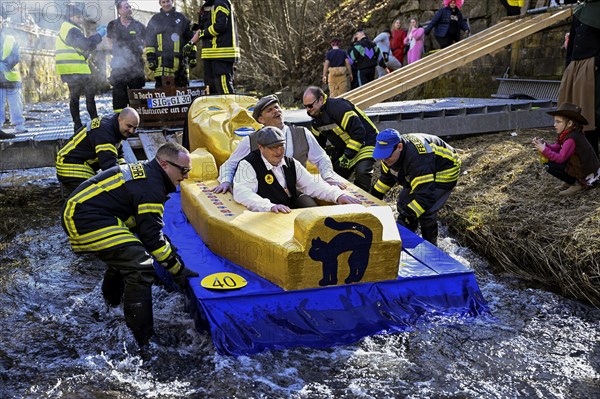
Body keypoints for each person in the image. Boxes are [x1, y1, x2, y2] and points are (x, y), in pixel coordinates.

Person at [61, 142, 198, 348]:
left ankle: (111, 307)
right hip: (85, 219)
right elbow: (152, 239)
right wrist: (177, 269)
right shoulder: (152, 187)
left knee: (126, 255)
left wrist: (165, 248)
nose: (186, 176)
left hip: (87, 213)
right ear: (164, 164)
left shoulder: (149, 175)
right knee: (140, 265)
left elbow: (146, 228)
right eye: (184, 170)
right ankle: (143, 340)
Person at [213, 94, 345, 194]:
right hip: (264, 196)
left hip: (297, 193)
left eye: (277, 107)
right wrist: (226, 181)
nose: (276, 111)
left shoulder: (302, 133)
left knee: (309, 205)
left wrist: (328, 177)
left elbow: (321, 158)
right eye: (270, 110)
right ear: (261, 119)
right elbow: (229, 165)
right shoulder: (250, 140)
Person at [232, 126, 360, 213]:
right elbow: (242, 193)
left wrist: (338, 196)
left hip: (288, 211)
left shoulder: (291, 162)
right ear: (261, 147)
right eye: (273, 147)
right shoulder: (247, 164)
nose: (278, 151)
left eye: (281, 146)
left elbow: (312, 185)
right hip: (264, 216)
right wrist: (269, 207)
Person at [370, 129, 461, 246]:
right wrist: (373, 197)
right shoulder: (389, 154)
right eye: (381, 156)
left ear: (399, 147)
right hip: (420, 170)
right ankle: (409, 240)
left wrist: (408, 215)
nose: (384, 160)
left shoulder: (418, 159)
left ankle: (431, 247)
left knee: (426, 212)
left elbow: (426, 196)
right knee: (403, 204)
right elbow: (386, 179)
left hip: (444, 170)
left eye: (386, 156)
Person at [303, 86, 377, 192]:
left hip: (367, 142)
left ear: (320, 99)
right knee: (333, 173)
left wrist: (347, 156)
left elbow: (359, 132)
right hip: (345, 148)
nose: (308, 110)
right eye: (305, 106)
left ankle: (364, 200)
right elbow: (318, 144)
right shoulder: (316, 120)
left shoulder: (338, 108)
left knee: (362, 172)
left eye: (310, 106)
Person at [56, 107, 140, 196]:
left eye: (135, 128)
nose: (131, 131)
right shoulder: (106, 132)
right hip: (69, 164)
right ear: (120, 119)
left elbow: (119, 157)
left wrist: (127, 174)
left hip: (78, 163)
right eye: (129, 126)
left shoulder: (114, 128)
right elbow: (109, 166)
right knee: (96, 197)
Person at [557, 0, 600, 157]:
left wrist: (596, 64)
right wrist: (569, 67)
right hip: (576, 70)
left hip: (592, 70)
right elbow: (573, 43)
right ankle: (588, 166)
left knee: (593, 116)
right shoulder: (580, 11)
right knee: (575, 115)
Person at [55, 4, 106, 132]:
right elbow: (85, 44)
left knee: (75, 97)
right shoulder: (71, 29)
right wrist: (99, 35)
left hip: (68, 69)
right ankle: (95, 121)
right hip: (76, 69)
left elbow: (81, 47)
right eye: (78, 17)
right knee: (89, 95)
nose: (81, 20)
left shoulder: (65, 28)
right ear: (71, 17)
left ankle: (77, 125)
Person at [532, 103, 600, 196]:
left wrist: (544, 150)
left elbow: (560, 158)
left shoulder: (571, 139)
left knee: (550, 166)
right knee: (552, 162)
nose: (554, 124)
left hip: (585, 172)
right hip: (580, 167)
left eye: (558, 122)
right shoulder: (567, 133)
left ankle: (577, 183)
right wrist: (545, 145)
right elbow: (557, 147)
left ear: (569, 123)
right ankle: (571, 181)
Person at [188, 0, 240, 94]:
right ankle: (218, 109)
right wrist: (191, 43)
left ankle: (230, 108)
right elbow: (203, 27)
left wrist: (203, 33)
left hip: (222, 53)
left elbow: (220, 26)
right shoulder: (208, 5)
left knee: (224, 87)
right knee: (211, 88)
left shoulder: (221, 3)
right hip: (209, 54)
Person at [106, 0, 146, 112]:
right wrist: (115, 52)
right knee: (119, 94)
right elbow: (109, 41)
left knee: (136, 95)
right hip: (119, 66)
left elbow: (147, 41)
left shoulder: (139, 26)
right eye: (126, 7)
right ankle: (120, 120)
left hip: (136, 66)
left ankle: (138, 119)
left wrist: (141, 48)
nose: (129, 9)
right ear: (119, 10)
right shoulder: (112, 25)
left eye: (129, 7)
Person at [145, 0, 194, 88]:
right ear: (160, 4)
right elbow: (150, 40)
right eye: (163, 2)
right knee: (161, 93)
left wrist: (192, 56)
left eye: (168, 1)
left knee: (182, 91)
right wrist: (150, 58)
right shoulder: (155, 19)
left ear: (172, 2)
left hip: (180, 64)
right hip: (161, 64)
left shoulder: (181, 18)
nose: (166, 4)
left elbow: (190, 39)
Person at [0, 9, 27, 138]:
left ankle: (19, 125)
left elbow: (16, 55)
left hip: (11, 77)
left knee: (16, 103)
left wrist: (5, 64)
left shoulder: (10, 37)